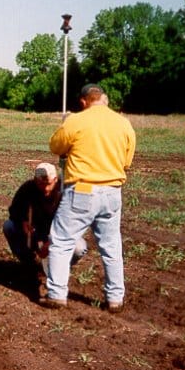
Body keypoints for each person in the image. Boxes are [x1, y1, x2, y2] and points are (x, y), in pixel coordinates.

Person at [40, 83, 136, 313]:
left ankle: (57, 294)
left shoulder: (76, 120)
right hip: (113, 192)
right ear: (103, 99)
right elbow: (126, 162)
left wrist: (65, 125)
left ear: (83, 101)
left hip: (82, 191)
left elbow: (55, 146)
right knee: (111, 246)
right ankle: (115, 299)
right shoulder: (123, 123)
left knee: (62, 241)